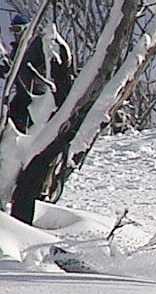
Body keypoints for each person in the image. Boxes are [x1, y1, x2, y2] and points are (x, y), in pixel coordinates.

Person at [0, 13, 74, 224]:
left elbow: (48, 65)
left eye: (20, 30)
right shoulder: (17, 50)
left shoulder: (35, 45)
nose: (17, 34)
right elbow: (10, 70)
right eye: (13, 31)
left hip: (37, 100)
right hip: (21, 98)